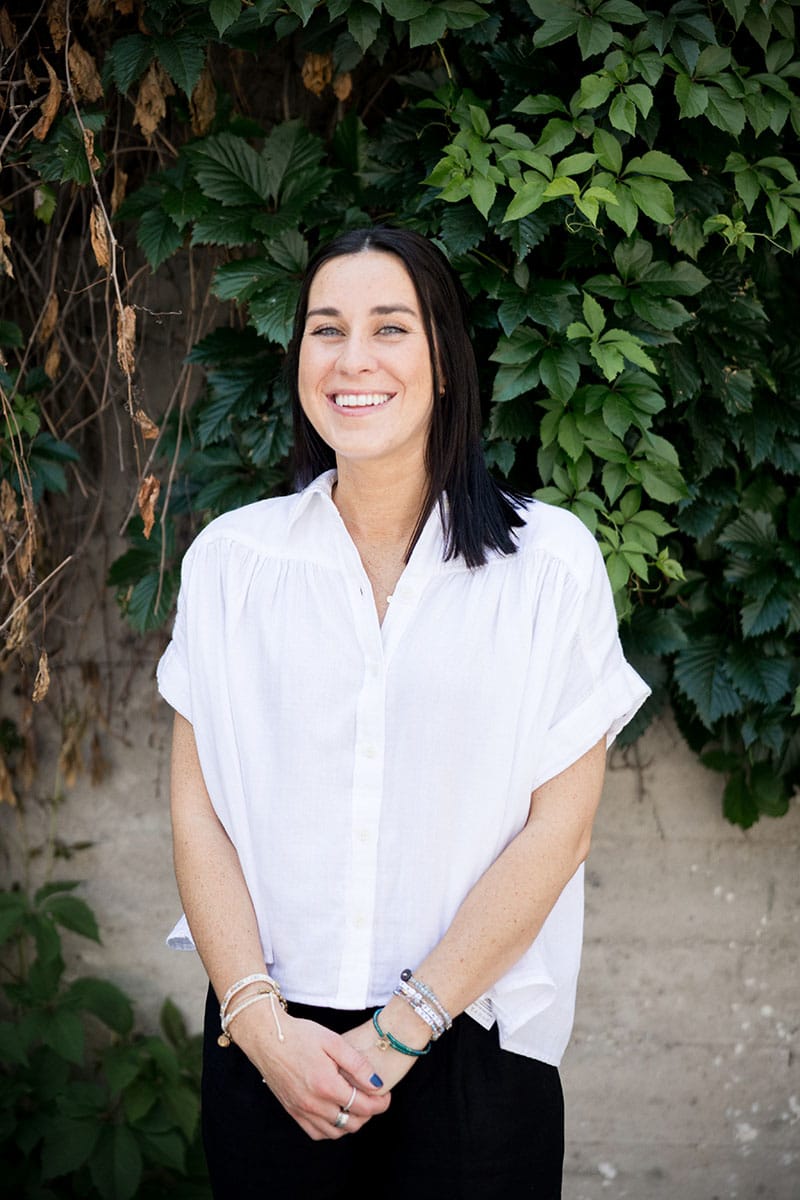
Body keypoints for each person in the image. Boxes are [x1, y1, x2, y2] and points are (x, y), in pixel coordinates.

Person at [157, 226, 650, 1199]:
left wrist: (398, 1032)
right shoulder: (232, 560)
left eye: (390, 328)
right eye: (325, 329)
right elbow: (195, 809)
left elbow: (562, 827)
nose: (352, 360)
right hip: (271, 1050)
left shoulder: (548, 566)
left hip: (471, 1053)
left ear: (443, 358)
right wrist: (259, 1026)